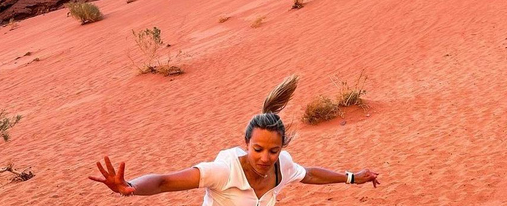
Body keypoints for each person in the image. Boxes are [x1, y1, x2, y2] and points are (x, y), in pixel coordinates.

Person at [89, 75, 380, 205]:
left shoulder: (283, 166)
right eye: (258, 149)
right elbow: (165, 181)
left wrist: (352, 177)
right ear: (246, 144)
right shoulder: (224, 169)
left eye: (273, 150)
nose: (265, 157)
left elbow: (310, 175)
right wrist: (131, 187)